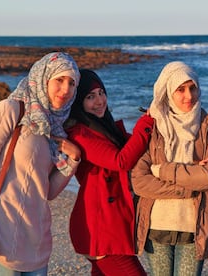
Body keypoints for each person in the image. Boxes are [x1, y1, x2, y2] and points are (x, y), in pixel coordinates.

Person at [0, 52, 81, 275]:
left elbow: (46, 191)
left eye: (72, 83)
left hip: (37, 243)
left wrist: (74, 159)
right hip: (1, 238)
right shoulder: (11, 109)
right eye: (59, 80)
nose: (66, 90)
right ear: (44, 77)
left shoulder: (54, 126)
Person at [131, 61, 208, 276]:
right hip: (156, 226)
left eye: (192, 88)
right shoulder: (151, 125)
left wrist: (161, 171)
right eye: (180, 89)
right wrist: (190, 182)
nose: (188, 96)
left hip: (194, 226)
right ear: (168, 91)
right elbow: (139, 181)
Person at [64, 69, 153, 276]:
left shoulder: (106, 128)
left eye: (101, 93)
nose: (99, 101)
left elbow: (138, 149)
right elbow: (120, 161)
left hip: (111, 225)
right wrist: (146, 124)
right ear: (78, 102)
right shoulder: (80, 132)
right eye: (90, 97)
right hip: (100, 229)